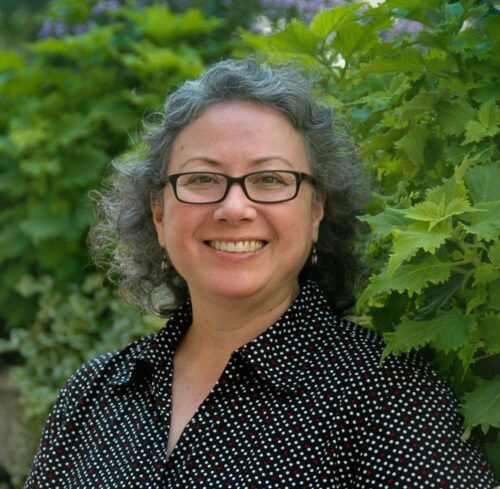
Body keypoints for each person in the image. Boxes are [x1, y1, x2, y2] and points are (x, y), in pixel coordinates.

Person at [25, 59, 495, 488]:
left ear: (316, 211)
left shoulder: (390, 400)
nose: (235, 208)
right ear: (159, 214)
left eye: (270, 179)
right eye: (202, 179)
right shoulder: (94, 393)